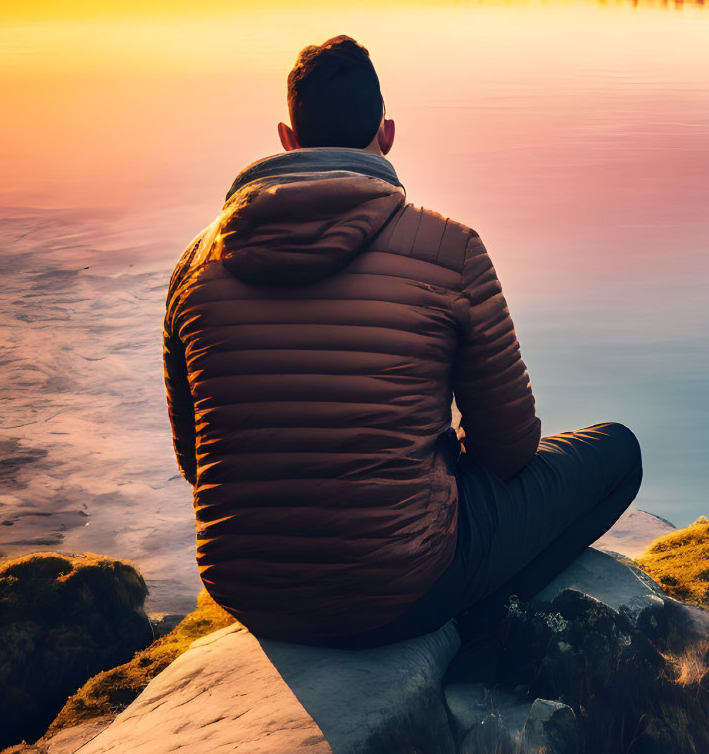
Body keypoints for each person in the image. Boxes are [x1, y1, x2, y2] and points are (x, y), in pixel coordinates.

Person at [163, 35, 641, 646]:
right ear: (386, 134)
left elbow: (194, 463)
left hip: (247, 593)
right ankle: (487, 621)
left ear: (286, 138)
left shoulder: (193, 267)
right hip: (402, 589)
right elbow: (512, 450)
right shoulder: (451, 251)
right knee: (619, 454)